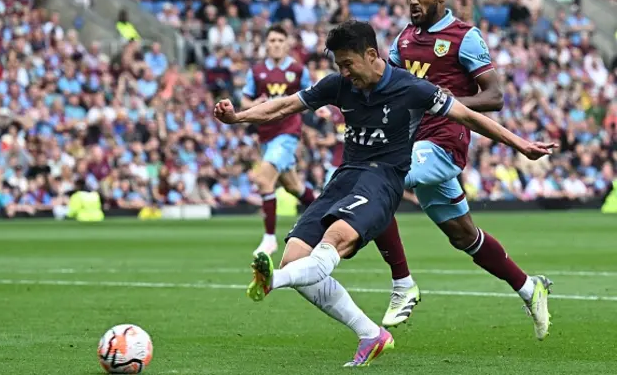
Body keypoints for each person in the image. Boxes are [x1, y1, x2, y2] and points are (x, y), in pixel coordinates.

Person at [214, 20, 555, 366]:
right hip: (344, 177)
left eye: (348, 64)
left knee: (335, 239)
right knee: (294, 257)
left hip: (384, 179)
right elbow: (286, 105)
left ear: (372, 55)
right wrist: (239, 117)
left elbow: (469, 117)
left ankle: (278, 281)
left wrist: (521, 144)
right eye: (339, 66)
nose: (344, 73)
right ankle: (370, 334)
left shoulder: (411, 88)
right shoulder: (339, 85)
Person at [381, 0, 553, 340]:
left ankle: (402, 284)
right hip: (412, 142)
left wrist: (443, 102)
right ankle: (530, 288)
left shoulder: (464, 36)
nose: (413, 0)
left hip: (444, 144)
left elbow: (493, 95)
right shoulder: (403, 39)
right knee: (463, 235)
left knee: (379, 180)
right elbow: (388, 87)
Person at [241, 25, 317, 256]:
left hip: (288, 133)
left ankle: (269, 238)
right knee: (294, 187)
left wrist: (320, 110)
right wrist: (256, 104)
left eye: (279, 40)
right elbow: (244, 101)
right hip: (266, 136)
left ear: (286, 44)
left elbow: (313, 95)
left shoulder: (297, 70)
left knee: (264, 179)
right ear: (266, 44)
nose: (275, 44)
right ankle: (325, 215)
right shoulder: (256, 72)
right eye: (271, 40)